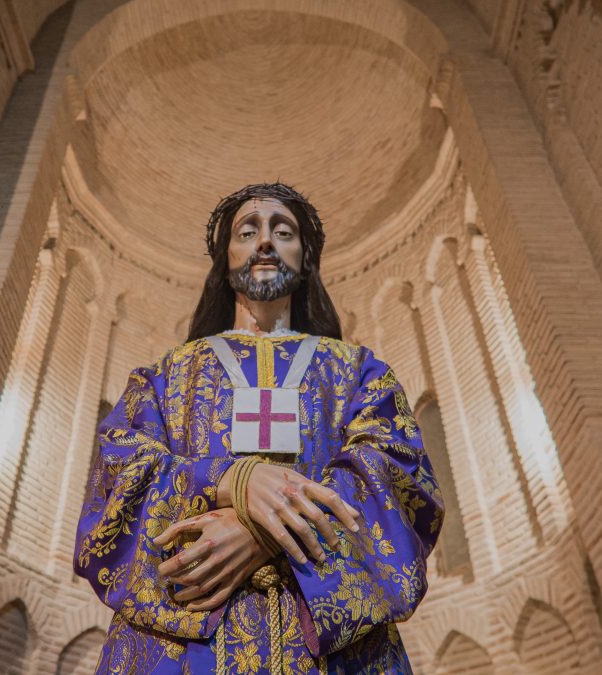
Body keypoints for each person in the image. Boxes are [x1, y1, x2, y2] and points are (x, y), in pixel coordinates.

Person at [74, 183, 444, 674]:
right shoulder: (166, 376)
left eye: (283, 231)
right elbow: (118, 472)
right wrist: (230, 481)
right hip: (188, 642)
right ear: (225, 258)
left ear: (304, 256)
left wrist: (262, 530)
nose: (265, 242)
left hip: (328, 649)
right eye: (248, 231)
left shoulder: (358, 371)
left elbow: (395, 471)